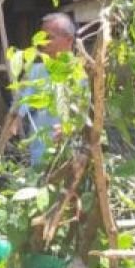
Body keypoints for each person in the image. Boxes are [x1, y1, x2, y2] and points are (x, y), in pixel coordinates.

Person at [17, 12, 78, 166]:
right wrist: (14, 119)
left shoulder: (80, 73)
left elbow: (87, 113)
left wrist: (70, 127)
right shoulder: (35, 71)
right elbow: (21, 105)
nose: (43, 42)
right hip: (39, 155)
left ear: (69, 40)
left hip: (71, 154)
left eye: (49, 37)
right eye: (42, 37)